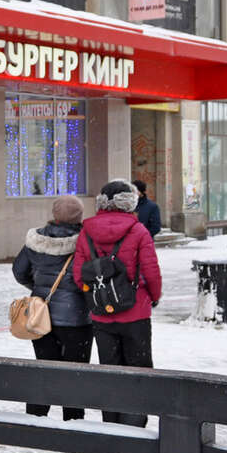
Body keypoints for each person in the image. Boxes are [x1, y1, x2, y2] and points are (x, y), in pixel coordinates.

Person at [72, 179, 162, 426]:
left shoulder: (86, 232)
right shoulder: (139, 231)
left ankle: (112, 425)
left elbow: (79, 275)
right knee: (138, 370)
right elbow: (151, 272)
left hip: (102, 314)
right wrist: (153, 296)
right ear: (129, 203)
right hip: (136, 313)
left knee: (109, 370)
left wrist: (98, 294)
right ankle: (134, 424)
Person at [11, 196, 92, 419]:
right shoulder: (86, 241)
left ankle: (36, 417)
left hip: (39, 316)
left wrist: (39, 288)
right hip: (76, 318)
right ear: (79, 216)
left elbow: (19, 271)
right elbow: (88, 278)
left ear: (54, 214)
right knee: (75, 373)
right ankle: (73, 420)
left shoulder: (37, 240)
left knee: (44, 369)